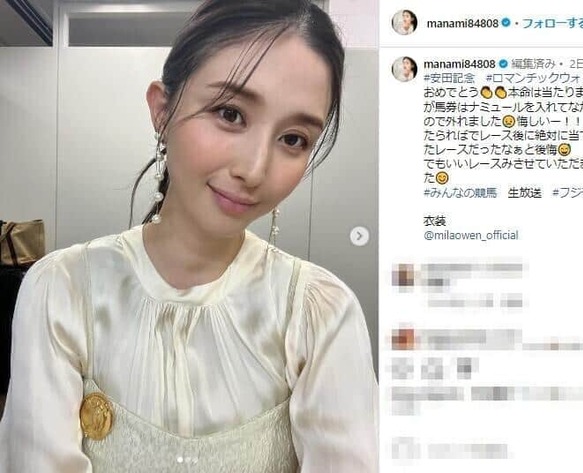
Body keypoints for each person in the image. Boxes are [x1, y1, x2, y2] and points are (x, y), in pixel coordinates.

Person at [0, 0, 378, 471]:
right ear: (162, 110)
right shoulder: (63, 290)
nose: (254, 169)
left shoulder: (320, 313)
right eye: (231, 114)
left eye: (293, 139)